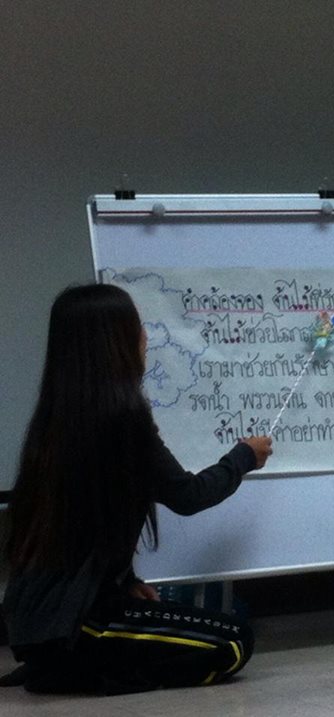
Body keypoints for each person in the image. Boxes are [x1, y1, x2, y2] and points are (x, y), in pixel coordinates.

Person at [1, 283, 273, 694]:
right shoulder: (122, 419)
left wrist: (125, 581)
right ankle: (75, 673)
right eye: (138, 327)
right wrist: (244, 457)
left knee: (191, 628)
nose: (145, 337)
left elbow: (86, 527)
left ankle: (55, 665)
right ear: (116, 342)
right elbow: (188, 495)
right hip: (78, 624)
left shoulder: (54, 421)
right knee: (233, 641)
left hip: (38, 624)